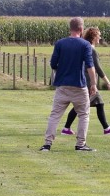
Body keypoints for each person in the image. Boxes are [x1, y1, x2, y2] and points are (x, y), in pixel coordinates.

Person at [40, 17, 98, 152]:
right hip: (79, 85)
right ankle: (80, 144)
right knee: (83, 114)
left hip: (62, 86)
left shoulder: (60, 43)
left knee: (55, 115)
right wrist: (93, 84)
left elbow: (53, 64)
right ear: (81, 29)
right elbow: (90, 66)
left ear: (70, 28)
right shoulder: (85, 45)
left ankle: (47, 144)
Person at [63, 27, 110, 136]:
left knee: (81, 105)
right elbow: (97, 68)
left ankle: (66, 128)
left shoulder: (84, 47)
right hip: (88, 82)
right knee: (99, 103)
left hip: (82, 80)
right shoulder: (91, 49)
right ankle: (106, 128)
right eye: (99, 35)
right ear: (93, 36)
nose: (100, 37)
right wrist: (108, 82)